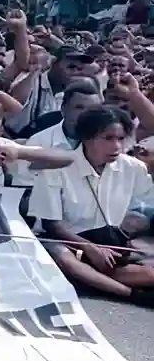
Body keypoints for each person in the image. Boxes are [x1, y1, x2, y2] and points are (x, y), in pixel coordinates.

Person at [30, 107, 154, 306]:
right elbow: (52, 225)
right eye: (108, 138)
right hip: (68, 243)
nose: (116, 146)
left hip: (109, 245)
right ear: (87, 138)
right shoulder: (56, 167)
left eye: (121, 139)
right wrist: (89, 248)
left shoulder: (133, 167)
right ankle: (133, 296)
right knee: (62, 257)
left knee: (148, 272)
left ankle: (98, 282)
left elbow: (150, 200)